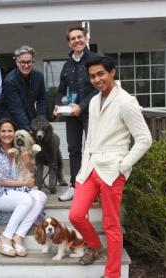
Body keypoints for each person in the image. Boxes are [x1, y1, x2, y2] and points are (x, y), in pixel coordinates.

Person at [69, 56, 152, 278]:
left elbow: (145, 139)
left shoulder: (126, 101)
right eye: (93, 76)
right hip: (90, 168)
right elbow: (91, 137)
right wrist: (82, 168)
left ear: (112, 72)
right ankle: (95, 246)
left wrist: (122, 165)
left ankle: (112, 274)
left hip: (112, 170)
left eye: (101, 74)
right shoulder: (95, 101)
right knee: (76, 215)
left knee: (111, 225)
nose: (97, 79)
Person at [0, 118, 47, 257]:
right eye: (3, 131)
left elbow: (31, 172)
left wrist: (27, 159)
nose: (7, 134)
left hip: (17, 191)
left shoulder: (19, 150)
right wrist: (25, 184)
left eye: (10, 131)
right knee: (27, 199)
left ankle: (19, 236)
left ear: (14, 132)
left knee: (41, 196)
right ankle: (5, 237)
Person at [54, 26, 98, 202]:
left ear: (86, 38)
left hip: (92, 113)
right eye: (73, 38)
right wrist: (58, 106)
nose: (77, 40)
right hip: (72, 116)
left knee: (93, 150)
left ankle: (94, 188)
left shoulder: (95, 60)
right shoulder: (67, 65)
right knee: (74, 151)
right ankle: (75, 186)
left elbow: (99, 89)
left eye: (80, 37)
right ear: (69, 42)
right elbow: (60, 90)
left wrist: (82, 105)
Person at [0, 45, 48, 131]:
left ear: (33, 62)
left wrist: (41, 122)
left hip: (30, 114)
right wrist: (29, 130)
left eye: (29, 62)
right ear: (17, 62)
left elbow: (42, 100)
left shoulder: (39, 76)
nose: (26, 65)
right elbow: (17, 110)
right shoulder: (10, 80)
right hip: (10, 120)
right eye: (23, 62)